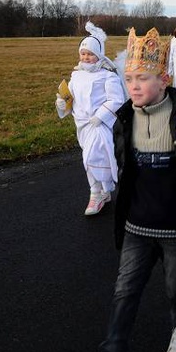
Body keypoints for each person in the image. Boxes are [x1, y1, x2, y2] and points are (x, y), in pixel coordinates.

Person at [83, 27, 176, 352]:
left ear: (164, 80)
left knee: (175, 286)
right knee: (125, 289)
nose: (133, 85)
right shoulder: (124, 119)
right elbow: (124, 165)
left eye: (143, 78)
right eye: (129, 78)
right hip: (136, 224)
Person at [55, 21, 126, 216]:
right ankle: (103, 191)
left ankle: (95, 194)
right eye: (83, 53)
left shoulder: (107, 76)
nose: (86, 57)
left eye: (90, 54)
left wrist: (100, 116)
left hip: (100, 125)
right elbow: (70, 97)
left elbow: (116, 99)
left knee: (91, 158)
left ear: (99, 55)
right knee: (91, 156)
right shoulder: (76, 75)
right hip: (83, 125)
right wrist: (62, 103)